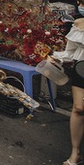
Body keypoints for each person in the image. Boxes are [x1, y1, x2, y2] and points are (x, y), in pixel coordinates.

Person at [53, 18, 84, 165]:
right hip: (81, 69)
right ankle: (75, 152)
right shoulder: (79, 24)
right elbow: (70, 51)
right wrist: (55, 57)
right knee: (79, 108)